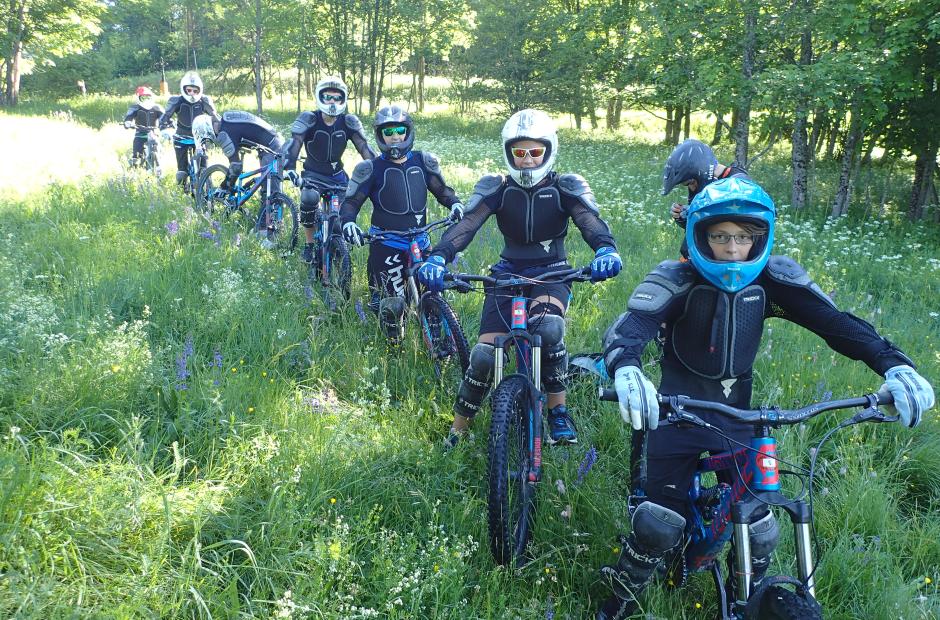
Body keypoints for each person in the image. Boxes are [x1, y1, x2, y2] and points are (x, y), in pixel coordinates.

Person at [595, 177, 935, 619]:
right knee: (659, 523)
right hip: (676, 413)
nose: (732, 249)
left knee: (760, 525)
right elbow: (633, 326)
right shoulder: (676, 277)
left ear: (760, 237)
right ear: (700, 235)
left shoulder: (774, 279)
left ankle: (749, 591)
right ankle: (620, 598)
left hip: (740, 415)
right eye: (719, 236)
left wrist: (895, 364)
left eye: (742, 237)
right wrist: (627, 367)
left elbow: (836, 324)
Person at [417, 109, 622, 447]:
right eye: (519, 152)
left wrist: (605, 250)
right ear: (509, 152)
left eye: (535, 152)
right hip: (506, 274)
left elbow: (589, 221)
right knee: (484, 356)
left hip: (553, 273)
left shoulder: (565, 186)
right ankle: (457, 433)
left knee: (549, 329)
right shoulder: (496, 186)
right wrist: (439, 256)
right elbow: (467, 224)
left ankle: (558, 412)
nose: (527, 160)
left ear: (549, 150)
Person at [340, 105, 464, 342]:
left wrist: (455, 204)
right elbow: (351, 202)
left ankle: (438, 339)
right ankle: (394, 348)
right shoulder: (370, 168)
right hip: (387, 242)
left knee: (432, 289)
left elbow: (442, 191)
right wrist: (348, 223)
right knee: (393, 305)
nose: (395, 136)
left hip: (421, 238)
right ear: (380, 135)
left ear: (408, 132)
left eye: (400, 130)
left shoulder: (423, 161)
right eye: (389, 132)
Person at [283, 76, 376, 265]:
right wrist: (290, 167)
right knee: (309, 199)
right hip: (313, 175)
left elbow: (364, 147)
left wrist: (378, 168)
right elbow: (295, 143)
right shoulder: (309, 118)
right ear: (319, 97)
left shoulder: (349, 121)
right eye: (327, 97)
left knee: (340, 222)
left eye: (336, 97)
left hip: (338, 177)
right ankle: (309, 245)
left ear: (343, 99)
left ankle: (337, 250)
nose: (332, 102)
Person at [662, 139, 749, 258]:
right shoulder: (702, 183)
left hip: (723, 259)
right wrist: (683, 216)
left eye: (690, 183)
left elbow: (738, 226)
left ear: (702, 171)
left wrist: (695, 212)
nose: (691, 188)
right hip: (698, 255)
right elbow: (701, 227)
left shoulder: (738, 183)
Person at [191, 111, 285, 199]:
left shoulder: (223, 134)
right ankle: (264, 213)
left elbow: (236, 166)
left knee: (272, 194)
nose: (209, 141)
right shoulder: (227, 121)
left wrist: (224, 187)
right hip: (272, 141)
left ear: (205, 130)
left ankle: (270, 215)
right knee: (266, 189)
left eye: (206, 139)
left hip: (272, 147)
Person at [158, 72, 220, 185]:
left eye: (195, 91)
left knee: (204, 168)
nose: (192, 93)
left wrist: (220, 129)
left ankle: (206, 192)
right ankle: (183, 191)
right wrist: (163, 128)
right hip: (180, 137)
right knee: (182, 172)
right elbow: (165, 116)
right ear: (184, 89)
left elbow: (215, 117)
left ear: (200, 90)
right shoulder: (176, 100)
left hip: (200, 137)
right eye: (189, 90)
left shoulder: (204, 100)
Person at [123, 86, 164, 167]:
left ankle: (159, 164)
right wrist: (128, 122)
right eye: (143, 98)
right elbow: (129, 116)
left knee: (159, 149)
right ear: (138, 98)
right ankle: (135, 167)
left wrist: (168, 122)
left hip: (154, 133)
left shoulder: (157, 107)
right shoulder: (135, 108)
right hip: (140, 133)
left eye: (148, 97)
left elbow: (164, 116)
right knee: (137, 156)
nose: (146, 100)